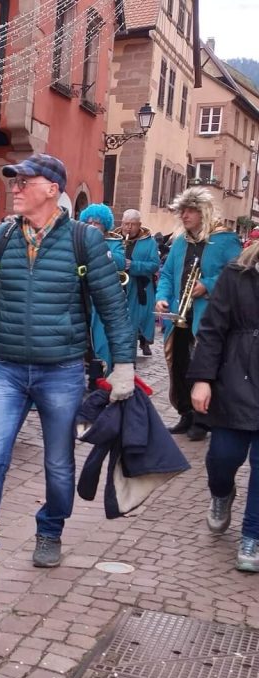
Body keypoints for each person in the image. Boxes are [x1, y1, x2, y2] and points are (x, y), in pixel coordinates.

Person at [0, 153, 135, 588]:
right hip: (8, 369)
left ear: (52, 189)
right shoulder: (0, 238)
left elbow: (113, 308)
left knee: (58, 463)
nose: (15, 188)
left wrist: (123, 365)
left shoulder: (84, 241)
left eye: (24, 181)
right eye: (13, 181)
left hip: (62, 371)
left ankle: (50, 528)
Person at [188, 241, 259, 571]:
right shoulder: (237, 273)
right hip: (235, 377)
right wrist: (202, 378)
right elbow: (213, 329)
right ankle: (221, 494)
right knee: (222, 459)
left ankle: (252, 536)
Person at [156, 187, 240, 441]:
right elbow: (168, 273)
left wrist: (209, 285)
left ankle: (203, 420)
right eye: (182, 210)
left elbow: (236, 274)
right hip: (179, 315)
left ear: (203, 212)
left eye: (190, 210)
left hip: (208, 316)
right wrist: (162, 297)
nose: (184, 215)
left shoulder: (225, 240)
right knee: (179, 364)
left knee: (201, 365)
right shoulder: (180, 241)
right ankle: (186, 414)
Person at [79, 204, 126, 373]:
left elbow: (120, 262)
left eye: (97, 222)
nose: (92, 225)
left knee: (100, 338)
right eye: (89, 222)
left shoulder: (113, 243)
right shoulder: (79, 241)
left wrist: (98, 250)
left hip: (101, 296)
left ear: (105, 225)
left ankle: (100, 373)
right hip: (83, 295)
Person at [114, 209, 160, 358]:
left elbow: (154, 265)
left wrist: (133, 265)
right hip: (115, 286)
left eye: (132, 224)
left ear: (139, 225)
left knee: (136, 321)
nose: (128, 227)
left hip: (139, 286)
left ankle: (131, 352)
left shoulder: (149, 242)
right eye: (126, 223)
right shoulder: (114, 239)